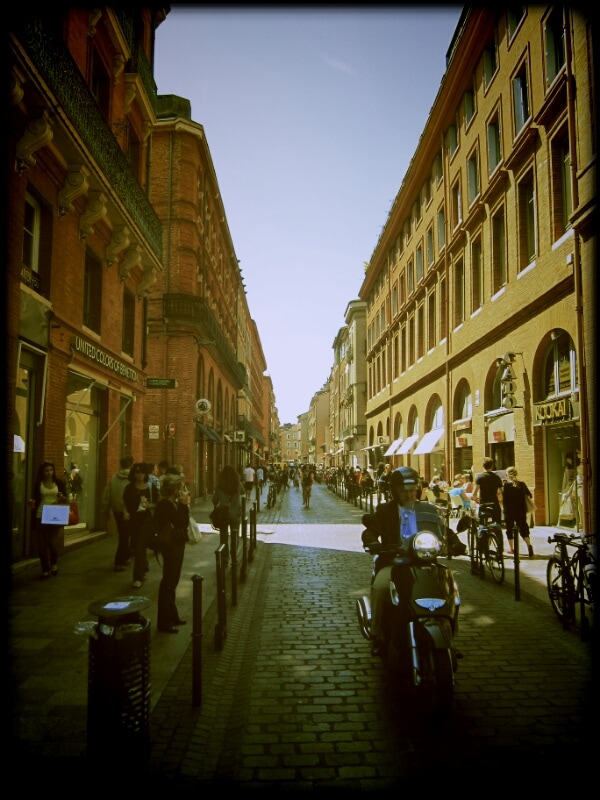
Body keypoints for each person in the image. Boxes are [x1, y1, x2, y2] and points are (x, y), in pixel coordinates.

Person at [362, 467, 439, 656]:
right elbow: (371, 529)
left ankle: (449, 632)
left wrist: (455, 543)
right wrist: (372, 542)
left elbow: (443, 530)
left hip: (425, 563)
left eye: (412, 490)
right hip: (394, 562)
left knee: (449, 586)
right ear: (394, 491)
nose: (409, 494)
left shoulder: (428, 510)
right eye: (404, 490)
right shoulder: (385, 510)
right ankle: (377, 635)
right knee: (380, 587)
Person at [154, 468, 190, 633]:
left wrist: (182, 506)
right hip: (171, 546)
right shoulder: (165, 505)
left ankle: (172, 615)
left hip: (176, 544)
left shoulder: (171, 503)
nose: (182, 491)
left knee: (172, 581)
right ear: (175, 490)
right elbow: (182, 522)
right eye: (180, 488)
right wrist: (184, 506)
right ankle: (164, 621)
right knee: (168, 582)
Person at [122, 462, 159, 589]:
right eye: (137, 472)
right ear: (133, 473)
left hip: (147, 520)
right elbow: (125, 503)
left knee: (140, 545)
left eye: (142, 472)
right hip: (134, 520)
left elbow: (158, 503)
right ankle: (144, 566)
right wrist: (125, 512)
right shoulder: (129, 488)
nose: (140, 474)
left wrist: (150, 505)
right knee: (137, 547)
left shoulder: (151, 487)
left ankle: (137, 577)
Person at [29, 460, 68, 578]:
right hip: (40, 514)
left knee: (52, 542)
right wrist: (31, 503)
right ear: (42, 472)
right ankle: (45, 569)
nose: (49, 473)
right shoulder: (38, 484)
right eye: (46, 470)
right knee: (41, 544)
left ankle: (54, 564)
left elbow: (66, 499)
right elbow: (34, 499)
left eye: (51, 470)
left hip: (54, 514)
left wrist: (62, 498)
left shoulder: (58, 483)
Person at [101, 454, 134, 572]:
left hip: (117, 511)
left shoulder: (114, 478)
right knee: (125, 536)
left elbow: (106, 495)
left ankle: (126, 556)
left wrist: (106, 510)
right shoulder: (133, 479)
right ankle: (119, 561)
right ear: (131, 465)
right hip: (129, 511)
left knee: (123, 534)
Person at [212, 465, 243, 564]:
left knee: (224, 537)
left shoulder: (219, 486)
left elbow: (214, 500)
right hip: (235, 514)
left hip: (223, 515)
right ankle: (234, 557)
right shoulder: (238, 485)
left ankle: (225, 558)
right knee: (235, 535)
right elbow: (243, 491)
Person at [503, 466, 534, 557]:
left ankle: (511, 549)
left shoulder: (507, 485)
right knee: (523, 527)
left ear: (507, 475)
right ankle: (529, 545)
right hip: (521, 510)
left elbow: (504, 499)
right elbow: (530, 495)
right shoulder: (522, 484)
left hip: (509, 511)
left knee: (509, 529)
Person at [472, 457, 503, 524]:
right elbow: (502, 491)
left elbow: (474, 493)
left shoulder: (479, 477)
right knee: (497, 523)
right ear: (492, 466)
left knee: (482, 523)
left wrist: (476, 499)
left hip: (484, 503)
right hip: (494, 503)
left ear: (483, 466)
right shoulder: (497, 477)